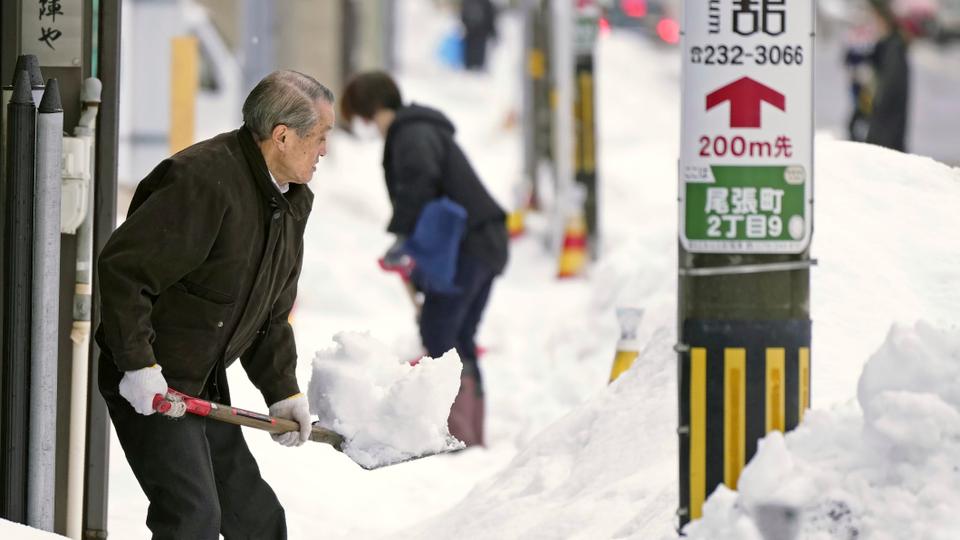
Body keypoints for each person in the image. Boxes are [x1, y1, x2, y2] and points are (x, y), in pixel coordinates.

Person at [95, 70, 335, 539]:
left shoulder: (289, 202)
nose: (325, 150)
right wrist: (139, 365)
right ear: (282, 136)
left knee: (256, 522)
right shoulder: (202, 181)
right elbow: (125, 270)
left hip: (202, 378)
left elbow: (268, 313)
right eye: (321, 137)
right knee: (192, 520)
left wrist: (282, 391)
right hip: (153, 379)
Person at [340, 71, 508, 447]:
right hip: (481, 241)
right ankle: (468, 434)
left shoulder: (411, 133)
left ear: (369, 109)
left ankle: (459, 434)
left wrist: (402, 237)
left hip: (470, 244)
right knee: (455, 334)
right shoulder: (417, 129)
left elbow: (419, 182)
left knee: (441, 334)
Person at [865, 0, 910, 151]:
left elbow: (888, 93)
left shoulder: (893, 49)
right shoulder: (887, 47)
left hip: (886, 135)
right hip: (885, 130)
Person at [461, 0, 497, 71]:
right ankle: (478, 65)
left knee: (470, 48)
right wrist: (492, 31)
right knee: (480, 49)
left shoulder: (467, 1)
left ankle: (469, 65)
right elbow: (490, 16)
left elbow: (462, 15)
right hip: (482, 31)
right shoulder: (486, 2)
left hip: (469, 30)